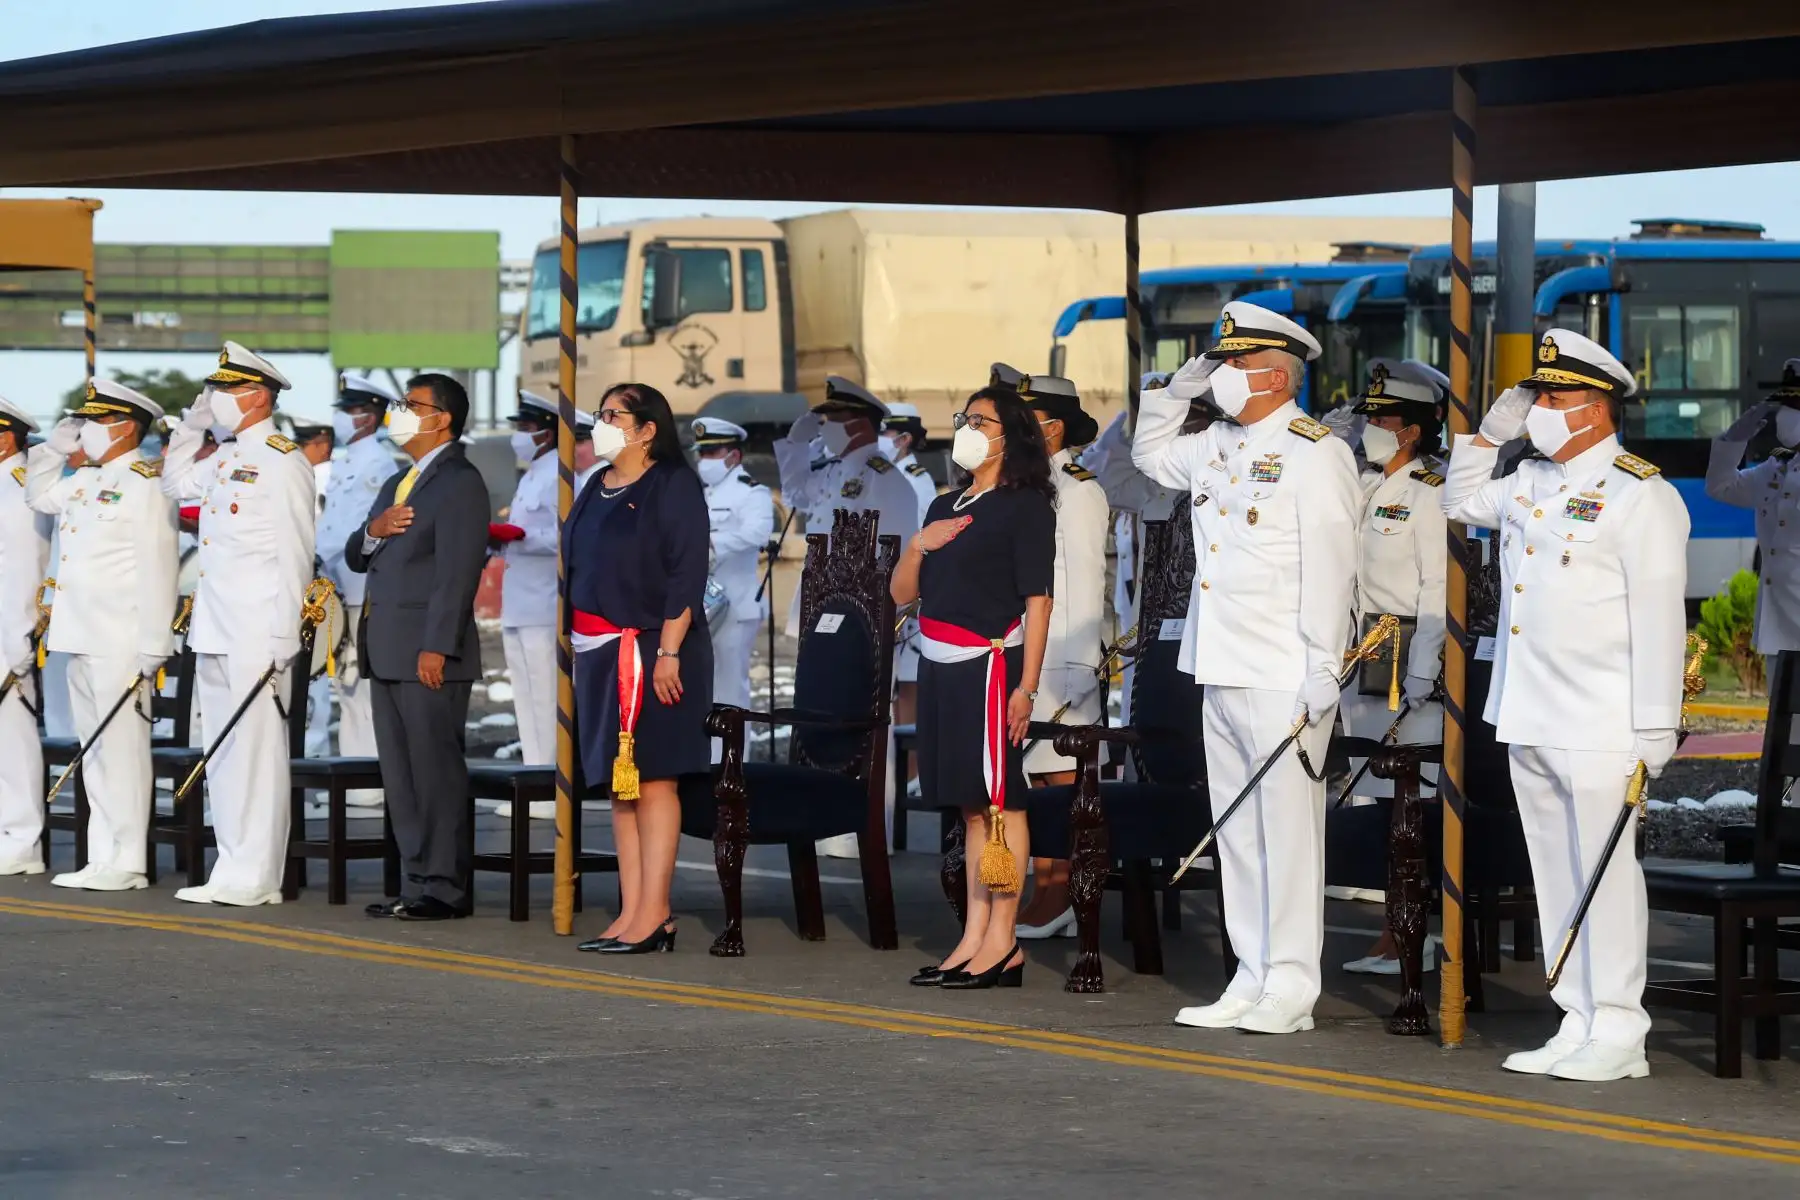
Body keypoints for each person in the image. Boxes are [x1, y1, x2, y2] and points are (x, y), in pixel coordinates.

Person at [1443, 329, 1688, 1082]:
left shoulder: (1640, 492)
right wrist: (1490, 431)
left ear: (1596, 408)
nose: (1541, 410)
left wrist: (1655, 727)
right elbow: (1458, 499)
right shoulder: (1528, 482)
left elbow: (1658, 619)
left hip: (1602, 719)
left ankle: (1619, 1029)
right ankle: (1576, 1016)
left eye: (1553, 398)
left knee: (1605, 876)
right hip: (1532, 710)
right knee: (1555, 873)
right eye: (1538, 396)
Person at [1131, 300, 1362, 1034]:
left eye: (1232, 364)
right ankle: (1250, 974)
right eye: (1220, 362)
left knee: (1288, 834)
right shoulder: (1216, 444)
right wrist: (1177, 388)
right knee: (1235, 829)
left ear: (1272, 373)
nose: (1223, 375)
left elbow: (1332, 567)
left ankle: (1291, 986)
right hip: (1221, 663)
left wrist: (1325, 665)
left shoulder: (1314, 450)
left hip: (1283, 669)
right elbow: (1147, 454)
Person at [897, 386, 1054, 988]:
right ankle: (973, 933)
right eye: (963, 418)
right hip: (939, 664)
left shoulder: (1026, 505)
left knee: (1000, 801)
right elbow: (900, 595)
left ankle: (1003, 939)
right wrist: (919, 545)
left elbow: (1038, 602)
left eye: (979, 420)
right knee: (969, 804)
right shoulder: (943, 504)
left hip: (992, 667)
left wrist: (1028, 686)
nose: (965, 427)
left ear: (1009, 436)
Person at [162, 342, 317, 906]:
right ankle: (231, 865)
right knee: (222, 751)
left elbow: (296, 554)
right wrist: (193, 424)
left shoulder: (282, 459)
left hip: (258, 628)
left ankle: (258, 875)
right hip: (216, 624)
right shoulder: (224, 456)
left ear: (257, 396)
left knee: (257, 752)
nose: (216, 399)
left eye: (224, 391)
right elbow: (173, 483)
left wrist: (285, 636)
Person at [566, 383, 713, 954]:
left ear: (647, 429)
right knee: (619, 787)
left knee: (653, 780)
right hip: (602, 650)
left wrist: (669, 649)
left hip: (656, 651)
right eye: (600, 414)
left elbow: (685, 572)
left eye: (612, 415)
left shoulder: (672, 484)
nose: (600, 424)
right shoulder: (595, 486)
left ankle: (656, 911)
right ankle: (632, 910)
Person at [26, 380, 180, 891]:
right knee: (93, 750)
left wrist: (155, 643)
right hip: (79, 633)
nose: (85, 430)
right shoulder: (82, 480)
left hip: (122, 637)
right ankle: (102, 854)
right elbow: (38, 494)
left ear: (123, 427)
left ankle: (130, 858)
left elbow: (160, 568)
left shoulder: (145, 484)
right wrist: (53, 448)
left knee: (123, 750)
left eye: (93, 422)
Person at [348, 373, 491, 921]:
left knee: (436, 773)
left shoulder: (460, 481)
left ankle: (446, 887)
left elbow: (456, 574)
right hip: (386, 646)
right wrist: (374, 530)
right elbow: (359, 553)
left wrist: (438, 646)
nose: (400, 413)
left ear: (443, 418)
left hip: (428, 652)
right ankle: (414, 881)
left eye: (413, 405)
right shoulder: (397, 483)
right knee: (402, 776)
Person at [1333, 358, 1450, 972]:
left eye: (1381, 419)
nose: (1370, 427)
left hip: (1409, 660)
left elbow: (1437, 590)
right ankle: (1391, 926)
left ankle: (1416, 933)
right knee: (1378, 798)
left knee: (1412, 802)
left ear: (1410, 431)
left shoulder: (1429, 495)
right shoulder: (1367, 484)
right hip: (1367, 660)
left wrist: (1425, 673)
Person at [773, 376, 920, 856]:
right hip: (823, 613)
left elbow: (896, 553)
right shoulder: (833, 469)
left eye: (829, 420)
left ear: (855, 423)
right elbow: (795, 493)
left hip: (866, 620)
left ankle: (867, 823)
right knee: (821, 714)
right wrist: (793, 444)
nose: (824, 428)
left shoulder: (884, 476)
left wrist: (886, 615)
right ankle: (824, 818)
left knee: (866, 718)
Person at [1004, 370, 1108, 939]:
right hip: (1024, 652)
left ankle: (1062, 889)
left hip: (1063, 657)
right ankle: (1043, 882)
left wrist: (1080, 672)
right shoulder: (1025, 486)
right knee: (1034, 778)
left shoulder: (1080, 489)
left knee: (1063, 778)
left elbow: (1086, 585)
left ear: (1055, 427)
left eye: (1028, 422)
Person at [314, 373, 402, 811]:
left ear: (369, 417)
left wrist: (321, 553)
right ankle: (355, 773)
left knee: (363, 684)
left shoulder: (378, 465)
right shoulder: (348, 461)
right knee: (345, 682)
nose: (343, 418)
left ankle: (371, 777)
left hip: (360, 586)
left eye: (350, 410)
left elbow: (364, 528)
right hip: (337, 585)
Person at [1705, 357, 1800, 682]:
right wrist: (1735, 439)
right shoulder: (1778, 468)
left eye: (1796, 406)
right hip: (1779, 628)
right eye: (1785, 405)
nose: (1786, 416)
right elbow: (1720, 486)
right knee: (1783, 730)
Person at [490, 390, 561, 817]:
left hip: (542, 603)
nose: (519, 434)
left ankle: (551, 784)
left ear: (546, 432)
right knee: (524, 696)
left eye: (526, 427)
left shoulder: (557, 474)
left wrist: (522, 538)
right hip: (518, 601)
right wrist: (497, 542)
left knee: (545, 697)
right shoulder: (532, 473)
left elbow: (563, 537)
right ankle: (534, 778)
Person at [693, 418, 774, 726]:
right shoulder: (705, 493)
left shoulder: (752, 492)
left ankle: (733, 768)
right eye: (702, 453)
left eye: (712, 452)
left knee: (730, 694)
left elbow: (759, 533)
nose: (705, 461)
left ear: (734, 456)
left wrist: (713, 543)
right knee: (706, 692)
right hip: (704, 603)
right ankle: (710, 767)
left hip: (737, 606)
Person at [0, 397, 52, 875]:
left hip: (4, 636)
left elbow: (23, 571)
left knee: (13, 739)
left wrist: (19, 640)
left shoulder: (19, 488)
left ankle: (21, 842)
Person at [881, 401, 938, 525]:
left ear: (904, 439)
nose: (876, 439)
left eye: (882, 433)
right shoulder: (879, 473)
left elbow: (918, 531)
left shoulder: (916, 480)